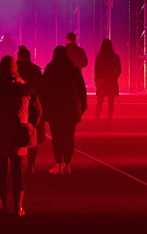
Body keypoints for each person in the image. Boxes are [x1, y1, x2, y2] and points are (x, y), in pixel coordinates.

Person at [0, 56, 41, 217]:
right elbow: (37, 111)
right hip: (19, 135)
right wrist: (31, 125)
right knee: (18, 171)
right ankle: (18, 207)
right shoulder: (27, 90)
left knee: (0, 171)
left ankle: (1, 206)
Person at [39, 45, 87, 174]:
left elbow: (44, 90)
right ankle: (67, 164)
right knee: (69, 136)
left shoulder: (50, 69)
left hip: (55, 108)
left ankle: (58, 164)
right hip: (71, 108)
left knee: (56, 137)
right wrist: (83, 106)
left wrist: (43, 107)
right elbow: (82, 90)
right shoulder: (74, 70)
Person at [16, 45, 44, 175]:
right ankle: (31, 164)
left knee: (17, 135)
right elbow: (42, 88)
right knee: (33, 136)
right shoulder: (36, 70)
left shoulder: (14, 69)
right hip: (33, 106)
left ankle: (19, 163)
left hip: (18, 106)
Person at [93, 38, 122, 121]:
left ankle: (97, 118)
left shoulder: (100, 57)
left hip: (102, 80)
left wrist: (97, 79)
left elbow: (96, 69)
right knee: (111, 101)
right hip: (111, 81)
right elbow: (119, 69)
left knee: (99, 101)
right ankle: (109, 118)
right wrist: (114, 77)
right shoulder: (115, 57)